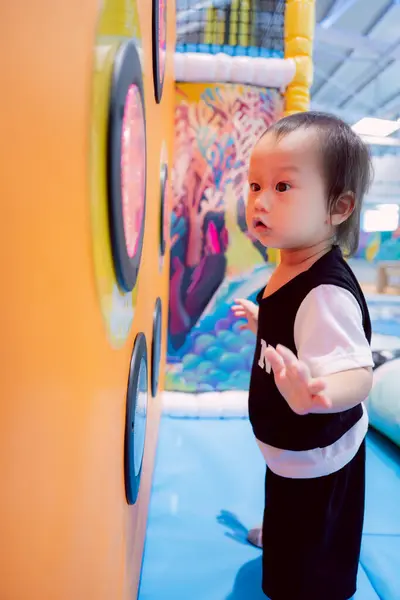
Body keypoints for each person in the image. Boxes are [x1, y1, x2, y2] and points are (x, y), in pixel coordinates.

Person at [231, 112, 374, 600]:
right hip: (290, 447)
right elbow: (292, 326)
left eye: (283, 187)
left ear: (338, 207)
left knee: (314, 543)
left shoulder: (325, 293)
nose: (260, 200)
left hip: (319, 451)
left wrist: (319, 393)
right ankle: (282, 535)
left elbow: (358, 373)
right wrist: (264, 322)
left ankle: (307, 575)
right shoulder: (292, 265)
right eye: (255, 185)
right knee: (287, 502)